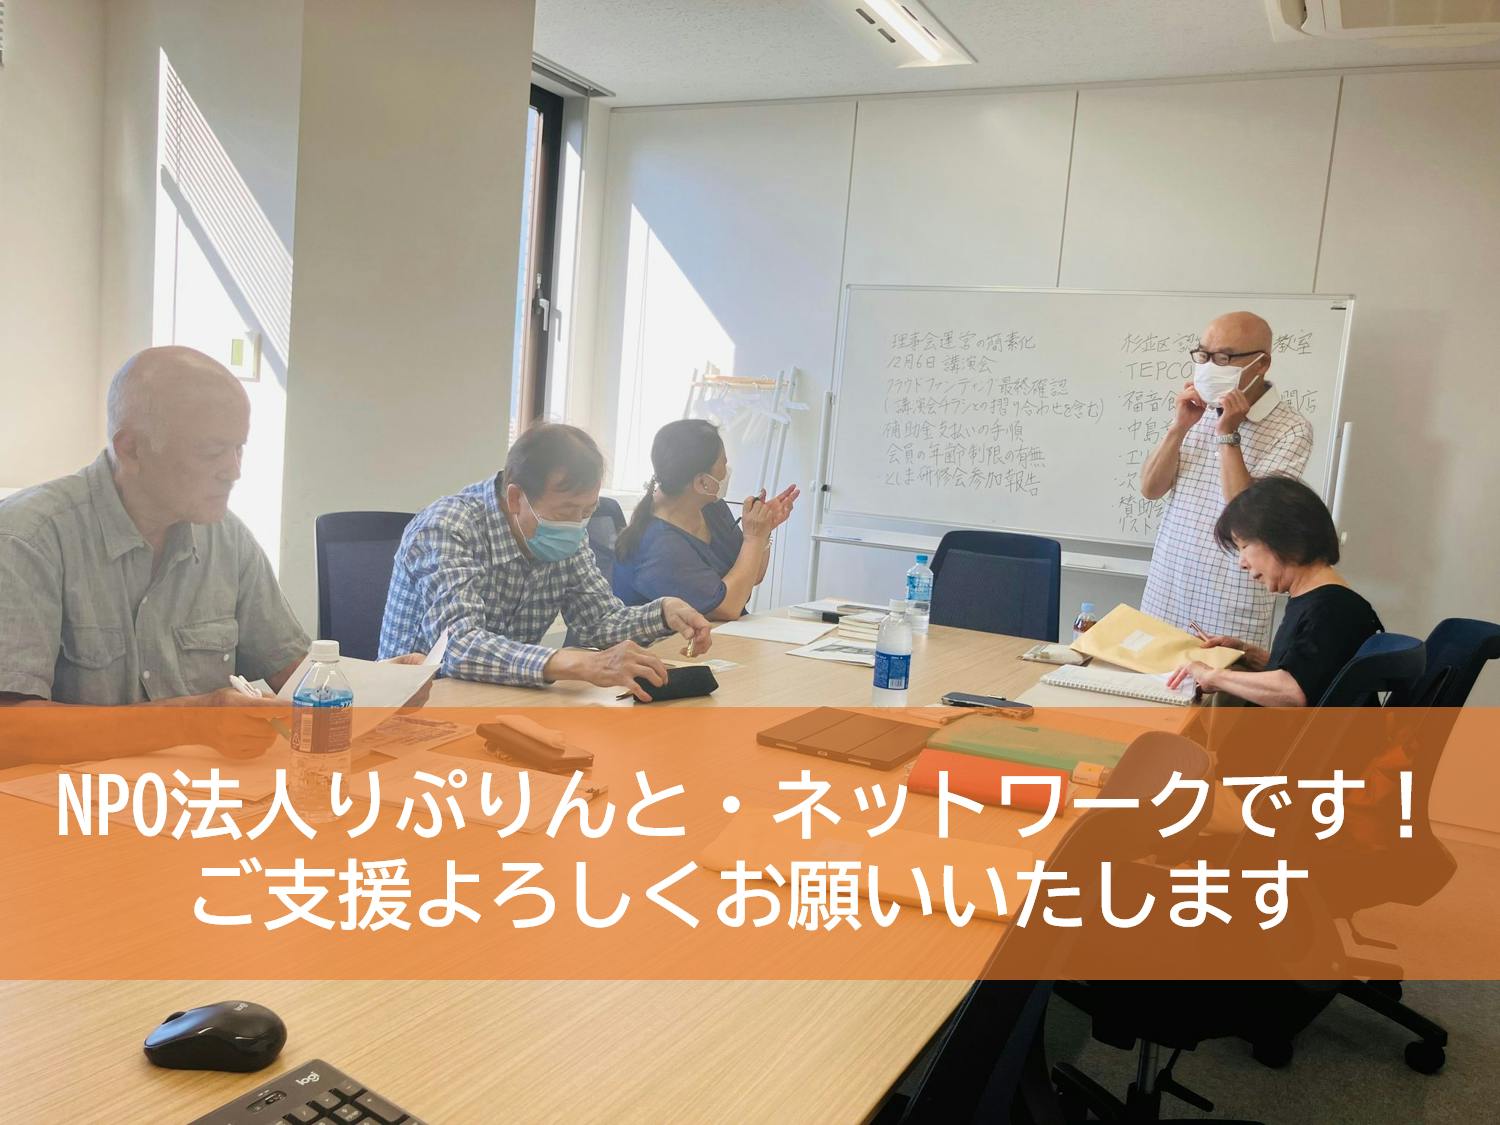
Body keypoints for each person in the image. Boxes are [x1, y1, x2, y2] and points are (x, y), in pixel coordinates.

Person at [0, 347, 308, 763]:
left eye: (239, 448)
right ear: (132, 449)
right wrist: (190, 721)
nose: (234, 471)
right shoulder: (27, 538)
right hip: (64, 796)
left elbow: (295, 671)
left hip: (199, 791)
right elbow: (9, 731)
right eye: (211, 451)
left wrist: (378, 689)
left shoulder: (227, 537)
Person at [379, 422, 714, 701]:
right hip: (416, 709)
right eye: (567, 510)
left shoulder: (568, 532)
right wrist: (580, 664)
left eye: (587, 510)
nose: (577, 524)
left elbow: (600, 622)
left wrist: (663, 613)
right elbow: (458, 647)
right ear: (515, 498)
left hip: (505, 701)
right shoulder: (447, 526)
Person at [1139, 311, 1314, 647]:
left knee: (1221, 682)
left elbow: (1247, 517)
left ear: (1261, 364)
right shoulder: (1199, 410)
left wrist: (1227, 434)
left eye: (1223, 358)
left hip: (1230, 601)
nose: (1210, 367)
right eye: (1203, 355)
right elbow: (1150, 488)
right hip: (1166, 588)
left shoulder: (1291, 429)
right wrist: (1180, 426)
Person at [1166, 476, 1382, 708]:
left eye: (1244, 546)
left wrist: (1214, 677)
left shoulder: (1333, 608)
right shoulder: (1316, 600)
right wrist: (1245, 653)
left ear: (1283, 538)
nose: (1242, 562)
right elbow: (1312, 674)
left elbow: (1293, 692)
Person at [612, 419, 799, 621]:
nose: (727, 471)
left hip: (725, 632)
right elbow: (727, 608)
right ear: (702, 482)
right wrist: (754, 538)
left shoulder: (711, 507)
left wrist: (764, 530)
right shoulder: (659, 545)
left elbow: (752, 576)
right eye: (723, 464)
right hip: (679, 639)